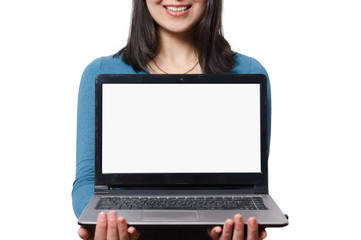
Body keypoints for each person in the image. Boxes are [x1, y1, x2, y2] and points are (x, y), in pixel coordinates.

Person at [73, 0, 271, 239]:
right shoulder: (100, 72)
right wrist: (106, 221)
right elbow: (86, 182)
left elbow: (251, 186)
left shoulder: (248, 72)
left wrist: (237, 220)